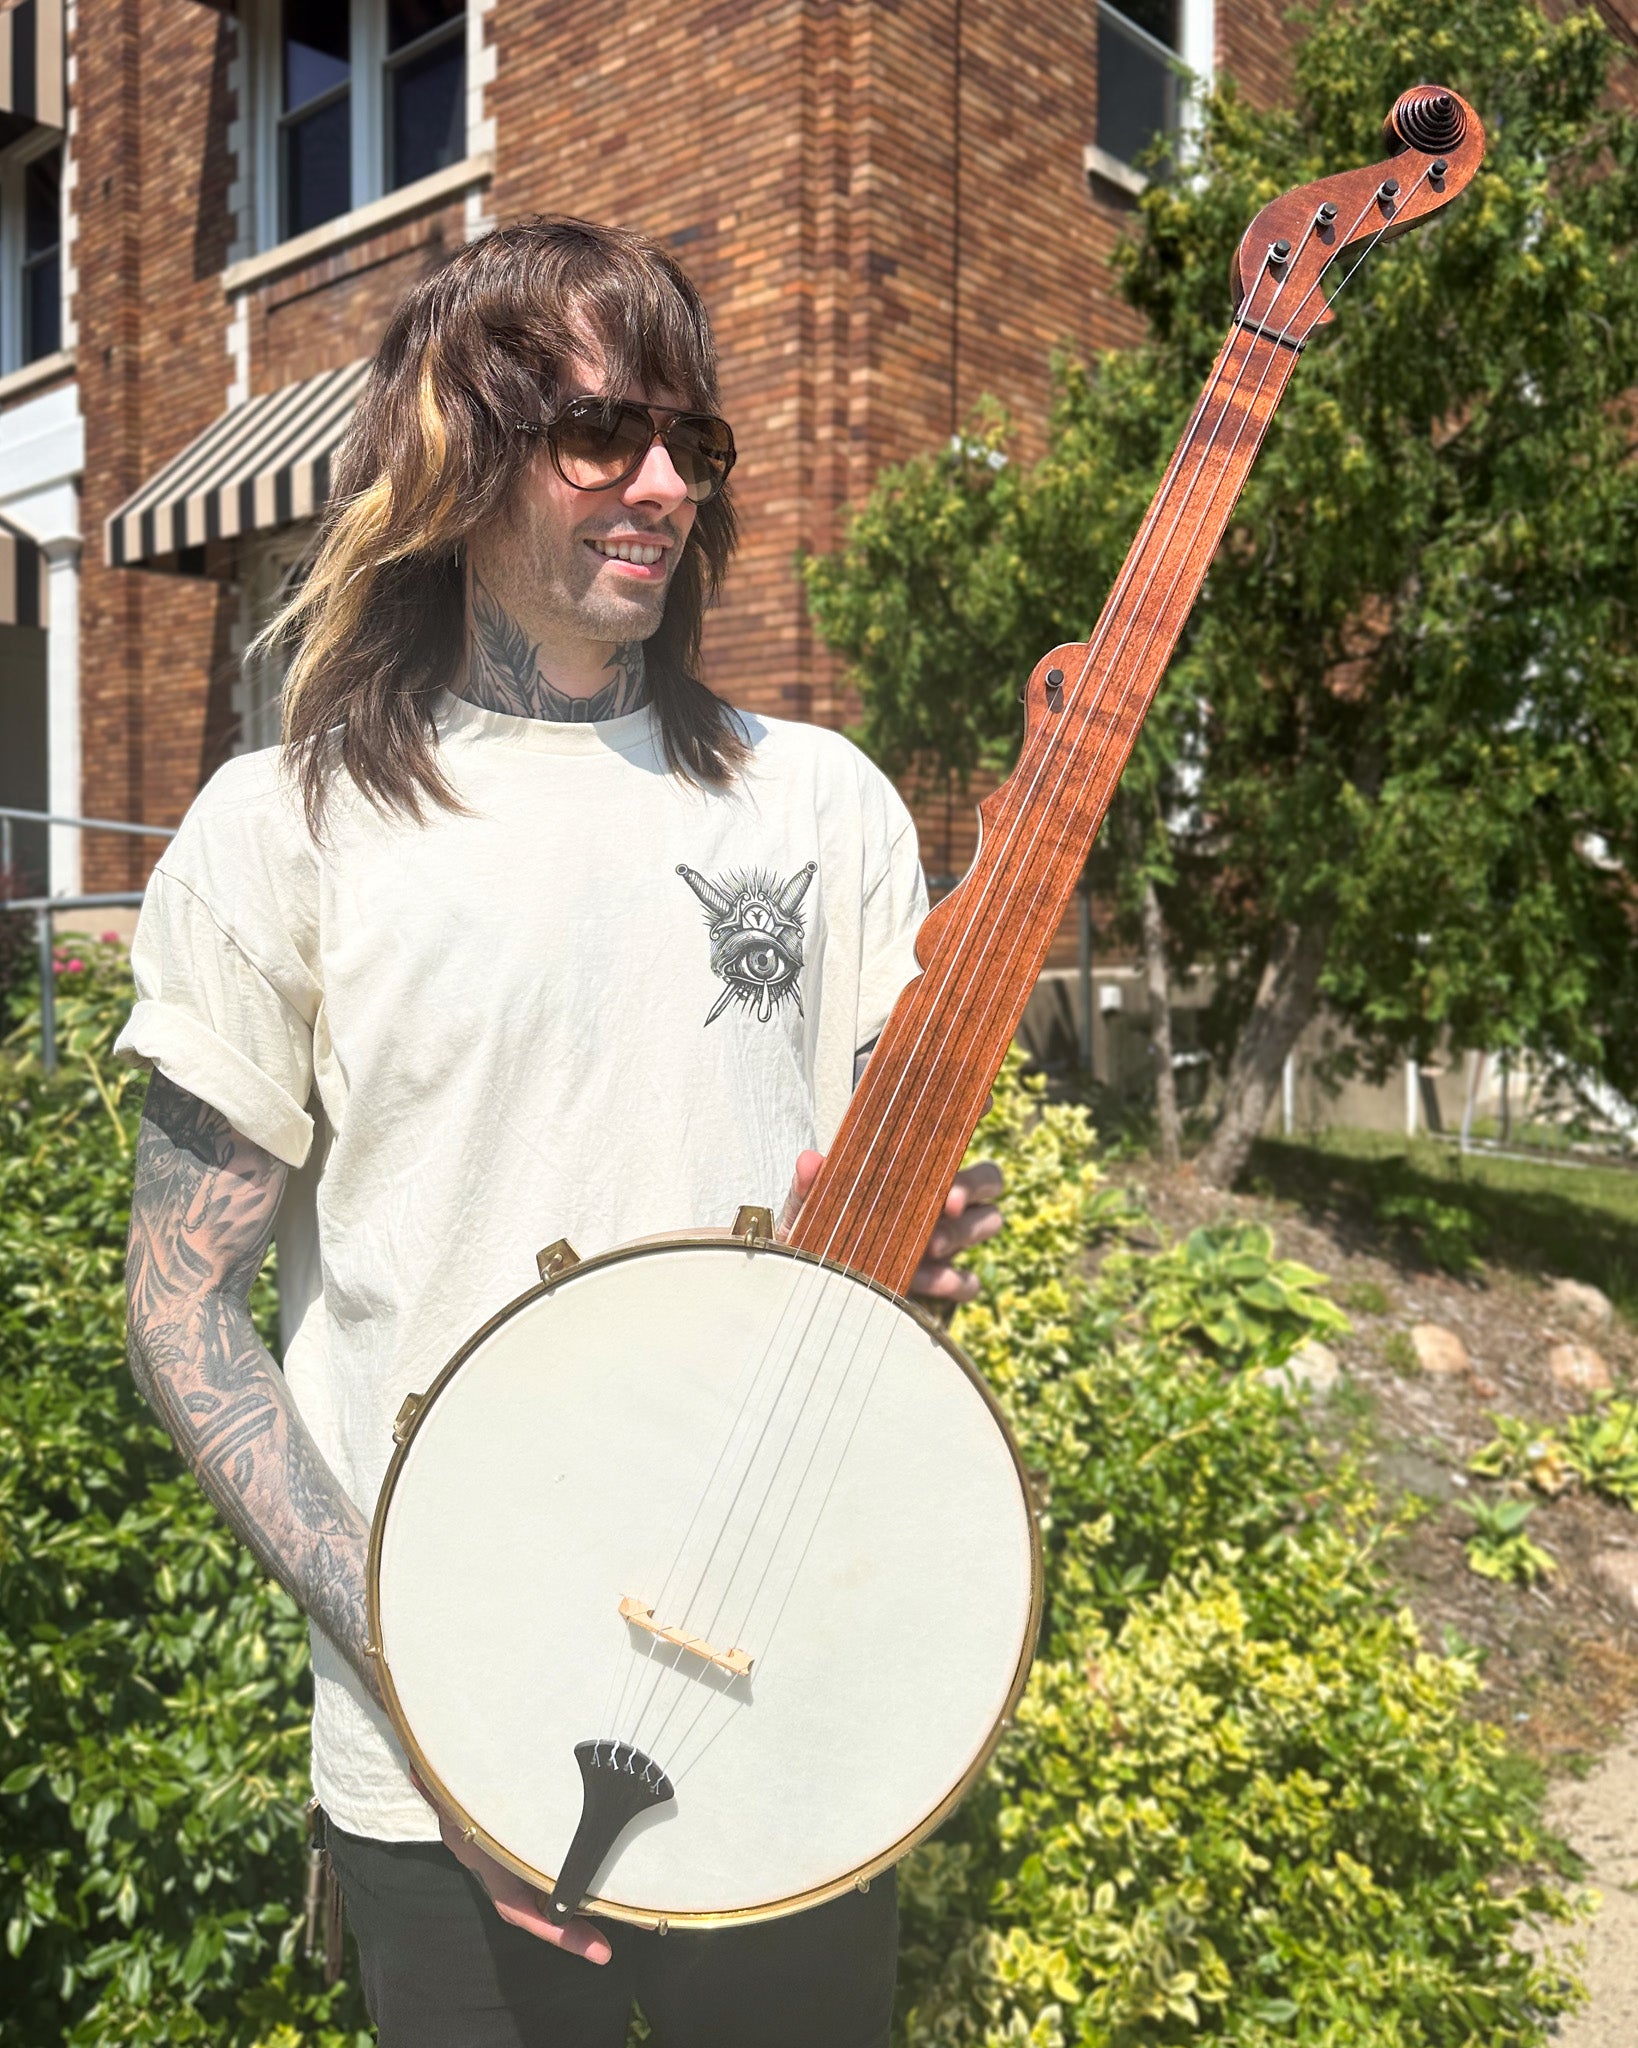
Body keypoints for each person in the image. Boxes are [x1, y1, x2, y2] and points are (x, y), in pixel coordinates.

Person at [118, 215, 1003, 2048]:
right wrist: (435, 1689)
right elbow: (179, 1307)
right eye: (603, 433)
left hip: (786, 1716)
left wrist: (911, 1256)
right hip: (440, 1773)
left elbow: (852, 1267)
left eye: (696, 442)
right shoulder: (284, 829)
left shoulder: (813, 807)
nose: (664, 483)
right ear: (458, 450)